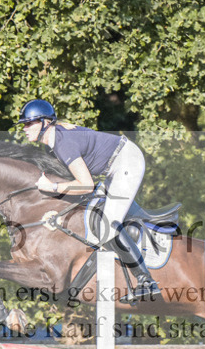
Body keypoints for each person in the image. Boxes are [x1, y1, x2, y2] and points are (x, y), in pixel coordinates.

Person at [16, 98, 160, 302]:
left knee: (108, 225)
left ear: (45, 123)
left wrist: (54, 187)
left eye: (30, 123)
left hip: (127, 162)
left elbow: (86, 184)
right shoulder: (55, 141)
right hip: (115, 166)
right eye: (24, 124)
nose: (25, 127)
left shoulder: (62, 144)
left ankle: (146, 280)